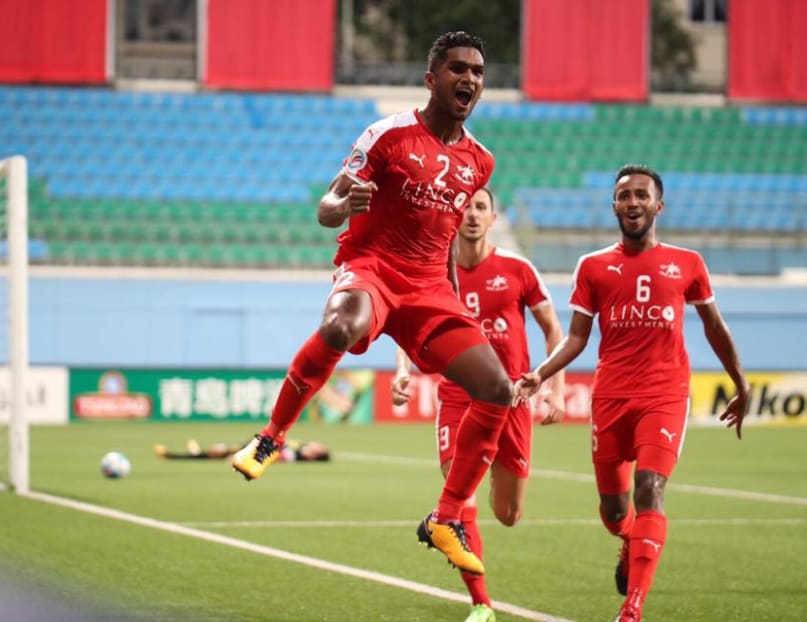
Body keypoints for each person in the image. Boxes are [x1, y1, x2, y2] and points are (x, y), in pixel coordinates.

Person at [231, 31, 513, 576]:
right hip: (373, 269)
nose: (470, 79)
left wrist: (454, 302)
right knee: (342, 325)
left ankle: (445, 518)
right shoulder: (387, 135)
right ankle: (271, 437)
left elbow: (450, 238)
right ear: (432, 79)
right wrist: (344, 203)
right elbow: (326, 205)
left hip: (430, 287)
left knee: (497, 389)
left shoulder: (480, 161)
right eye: (458, 69)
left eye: (478, 71)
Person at [514, 165, 750, 622]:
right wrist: (538, 374)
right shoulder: (593, 266)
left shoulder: (688, 264)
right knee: (613, 509)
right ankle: (628, 539)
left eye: (642, 195)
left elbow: (714, 326)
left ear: (658, 206)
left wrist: (740, 381)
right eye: (624, 196)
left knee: (650, 487)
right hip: (611, 397)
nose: (633, 202)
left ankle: (632, 608)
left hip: (665, 393)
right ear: (614, 206)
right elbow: (578, 337)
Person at [391, 187, 566, 622]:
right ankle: (482, 604)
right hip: (458, 397)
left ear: (493, 217)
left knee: (508, 514)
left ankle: (477, 491)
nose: (471, 214)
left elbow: (554, 331)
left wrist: (553, 386)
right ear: (453, 216)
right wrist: (403, 371)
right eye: (464, 207)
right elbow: (409, 325)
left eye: (480, 207)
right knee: (459, 497)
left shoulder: (518, 269)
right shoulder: (433, 273)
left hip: (512, 401)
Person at [155, 438, 330, 462]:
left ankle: (178, 455)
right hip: (250, 447)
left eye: (319, 447)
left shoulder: (293, 454)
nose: (316, 443)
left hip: (248, 452)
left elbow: (274, 456)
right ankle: (193, 453)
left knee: (217, 452)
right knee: (217, 451)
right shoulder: (296, 447)